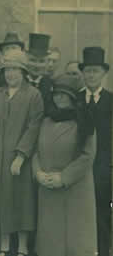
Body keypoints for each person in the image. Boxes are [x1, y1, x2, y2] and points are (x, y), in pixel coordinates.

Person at [0, 50, 44, 256]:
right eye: (7, 70)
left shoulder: (33, 95)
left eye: (15, 69)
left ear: (23, 72)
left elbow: (34, 126)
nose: (11, 74)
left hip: (19, 159)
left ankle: (23, 247)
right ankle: (4, 245)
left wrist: (21, 155)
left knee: (21, 200)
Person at [33, 73, 97, 256]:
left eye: (63, 94)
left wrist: (63, 177)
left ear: (73, 97)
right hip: (48, 189)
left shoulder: (84, 121)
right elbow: (36, 151)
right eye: (55, 94)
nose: (58, 98)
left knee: (75, 243)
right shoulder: (46, 121)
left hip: (75, 191)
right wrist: (38, 173)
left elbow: (87, 156)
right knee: (50, 244)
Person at [77, 47, 112, 256]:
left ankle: (102, 251)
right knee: (80, 213)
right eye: (88, 71)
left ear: (103, 74)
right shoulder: (76, 99)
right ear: (83, 73)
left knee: (101, 212)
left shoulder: (111, 100)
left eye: (95, 71)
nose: (91, 75)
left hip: (104, 167)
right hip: (79, 166)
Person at [25, 33, 53, 109]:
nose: (37, 65)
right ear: (26, 60)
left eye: (41, 61)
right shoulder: (19, 81)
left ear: (47, 63)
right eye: (32, 60)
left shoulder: (51, 84)